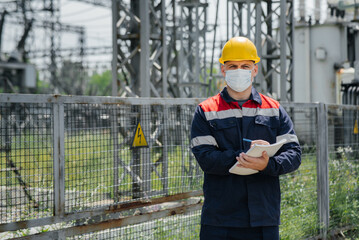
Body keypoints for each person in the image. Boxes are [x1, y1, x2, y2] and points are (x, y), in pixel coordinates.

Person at [190, 36, 302, 240]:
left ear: (255, 69)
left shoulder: (273, 109)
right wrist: (244, 158)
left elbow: (294, 155)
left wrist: (267, 164)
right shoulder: (206, 111)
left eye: (245, 65)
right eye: (232, 66)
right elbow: (205, 158)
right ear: (223, 69)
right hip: (220, 219)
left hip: (263, 218)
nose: (238, 71)